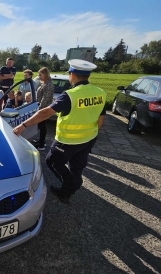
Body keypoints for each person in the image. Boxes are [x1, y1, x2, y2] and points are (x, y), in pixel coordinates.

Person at [12, 59, 106, 204]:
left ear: (72, 74)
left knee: (52, 161)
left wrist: (23, 125)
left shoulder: (70, 95)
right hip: (89, 138)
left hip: (67, 140)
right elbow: (101, 118)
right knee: (77, 165)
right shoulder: (100, 93)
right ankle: (67, 191)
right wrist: (92, 134)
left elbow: (46, 113)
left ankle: (71, 184)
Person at [34, 67, 54, 150]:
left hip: (43, 108)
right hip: (42, 107)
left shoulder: (48, 85)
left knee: (42, 126)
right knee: (41, 126)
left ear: (46, 74)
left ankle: (41, 145)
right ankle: (42, 141)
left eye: (40, 75)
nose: (39, 76)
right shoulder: (45, 83)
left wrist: (39, 110)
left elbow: (45, 99)